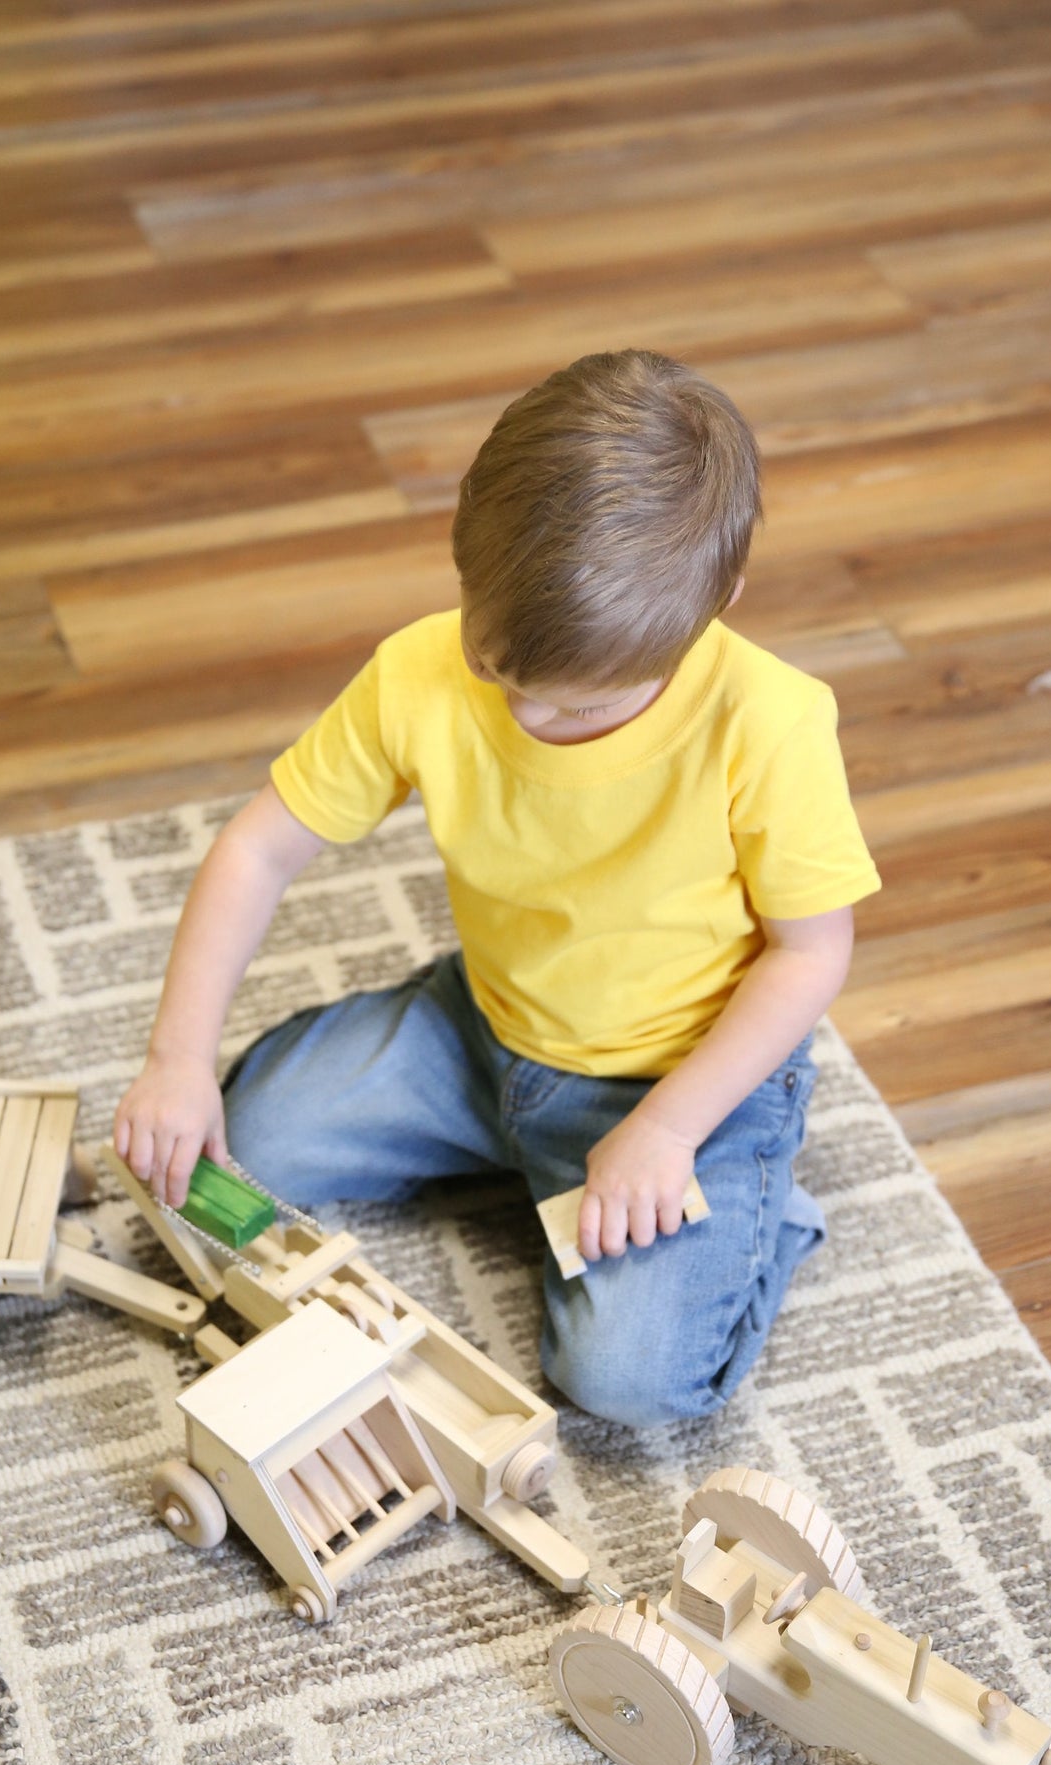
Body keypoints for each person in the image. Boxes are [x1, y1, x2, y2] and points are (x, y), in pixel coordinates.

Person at [114, 349, 880, 1427]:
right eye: (495, 669)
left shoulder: (770, 723)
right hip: (482, 1032)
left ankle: (762, 1218)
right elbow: (257, 850)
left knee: (621, 1380)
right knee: (241, 1140)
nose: (528, 720)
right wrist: (174, 1058)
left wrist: (663, 1134)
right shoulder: (419, 668)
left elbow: (811, 953)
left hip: (680, 1083)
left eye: (574, 708)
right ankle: (529, 1165)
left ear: (715, 610)